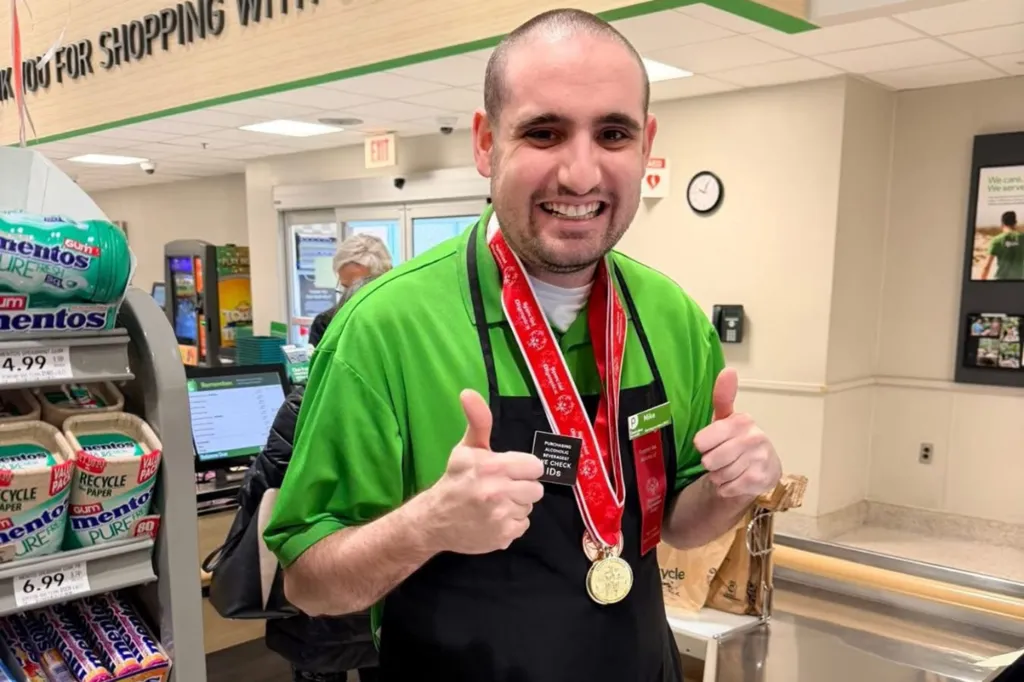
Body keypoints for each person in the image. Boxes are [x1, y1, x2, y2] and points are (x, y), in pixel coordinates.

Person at [263, 9, 783, 682]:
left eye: (613, 133)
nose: (580, 174)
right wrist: (428, 524)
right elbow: (308, 583)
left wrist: (728, 488)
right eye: (544, 131)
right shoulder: (383, 329)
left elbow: (680, 527)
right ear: (486, 144)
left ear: (646, 144)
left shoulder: (671, 318)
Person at [237, 277, 382, 682]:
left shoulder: (306, 399)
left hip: (319, 580)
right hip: (386, 586)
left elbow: (262, 490)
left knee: (319, 673)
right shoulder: (404, 394)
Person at [308, 233, 392, 344]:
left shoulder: (399, 320)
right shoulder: (325, 323)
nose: (352, 298)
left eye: (360, 289)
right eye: (346, 288)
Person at [980, 211, 1023, 280]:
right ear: (1015, 222)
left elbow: (986, 266)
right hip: (1018, 282)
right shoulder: (1022, 238)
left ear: (1002, 224)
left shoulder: (997, 240)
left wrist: (981, 284)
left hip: (1000, 280)